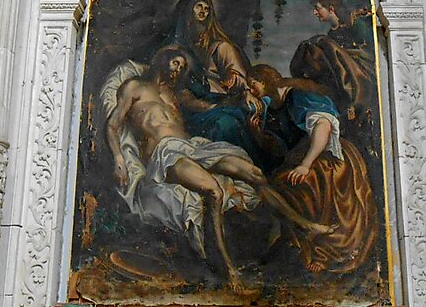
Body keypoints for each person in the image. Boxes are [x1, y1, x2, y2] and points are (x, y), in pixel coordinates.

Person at [107, 47, 334, 292]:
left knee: (255, 174)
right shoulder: (134, 87)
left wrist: (240, 98)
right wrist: (119, 158)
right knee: (213, 191)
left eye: (182, 66)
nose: (178, 69)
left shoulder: (174, 95)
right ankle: (227, 268)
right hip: (166, 153)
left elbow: (206, 106)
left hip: (193, 147)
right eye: (175, 63)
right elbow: (112, 124)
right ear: (162, 59)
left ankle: (304, 225)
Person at [246, 64, 376, 274]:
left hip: (327, 155)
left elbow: (323, 126)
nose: (251, 91)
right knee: (277, 185)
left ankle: (324, 249)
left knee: (304, 184)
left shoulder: (298, 96)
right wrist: (258, 135)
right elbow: (280, 150)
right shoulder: (272, 108)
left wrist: (305, 165)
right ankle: (299, 242)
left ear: (265, 80)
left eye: (253, 85)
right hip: (304, 158)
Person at [169, 0, 266, 165]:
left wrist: (242, 89)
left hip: (220, 99)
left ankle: (247, 166)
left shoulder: (221, 47)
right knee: (219, 123)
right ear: (188, 10)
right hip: (192, 106)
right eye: (198, 6)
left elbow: (238, 75)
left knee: (231, 120)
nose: (203, 11)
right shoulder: (177, 49)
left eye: (207, 8)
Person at [290, 0, 375, 127]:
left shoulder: (355, 24)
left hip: (361, 73)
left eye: (318, 8)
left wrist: (343, 55)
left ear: (331, 9)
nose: (315, 12)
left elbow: (369, 51)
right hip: (342, 70)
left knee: (321, 42)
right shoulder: (332, 34)